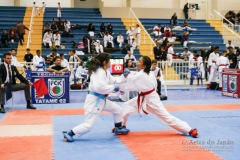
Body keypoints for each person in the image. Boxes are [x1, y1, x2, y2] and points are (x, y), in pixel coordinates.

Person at [121, 56, 198, 138]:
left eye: (139, 61)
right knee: (126, 106)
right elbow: (136, 78)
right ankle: (121, 126)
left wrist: (126, 75)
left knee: (166, 117)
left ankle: (189, 130)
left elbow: (130, 79)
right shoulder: (147, 73)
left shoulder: (141, 75)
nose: (137, 62)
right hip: (144, 97)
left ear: (144, 66)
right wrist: (128, 75)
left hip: (152, 100)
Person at [63, 53, 130, 142]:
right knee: (88, 125)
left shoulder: (106, 72)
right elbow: (99, 87)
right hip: (94, 102)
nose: (110, 63)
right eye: (109, 61)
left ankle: (118, 127)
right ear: (105, 62)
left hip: (102, 100)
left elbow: (114, 80)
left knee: (118, 110)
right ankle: (70, 133)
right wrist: (113, 88)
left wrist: (123, 76)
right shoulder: (99, 72)